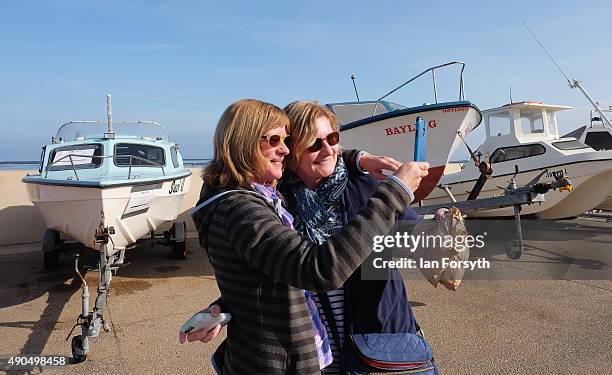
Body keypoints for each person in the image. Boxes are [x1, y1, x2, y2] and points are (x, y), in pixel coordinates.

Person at [189, 99, 429, 375]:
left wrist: (446, 229)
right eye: (313, 144)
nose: (327, 149)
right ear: (294, 153)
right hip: (316, 352)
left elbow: (420, 240)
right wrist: (231, 301)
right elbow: (298, 270)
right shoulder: (279, 202)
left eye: (333, 138)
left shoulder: (365, 185)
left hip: (377, 340)